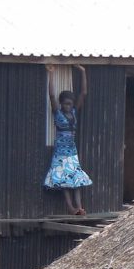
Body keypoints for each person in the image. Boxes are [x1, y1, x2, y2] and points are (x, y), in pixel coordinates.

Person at [44, 64, 92, 216]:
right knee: (64, 180)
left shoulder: (74, 112)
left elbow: (83, 93)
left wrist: (83, 71)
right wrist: (51, 74)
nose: (67, 106)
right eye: (65, 103)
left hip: (72, 151)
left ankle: (80, 207)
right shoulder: (57, 113)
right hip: (60, 152)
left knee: (76, 179)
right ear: (61, 103)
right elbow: (51, 95)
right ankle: (71, 208)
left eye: (70, 104)